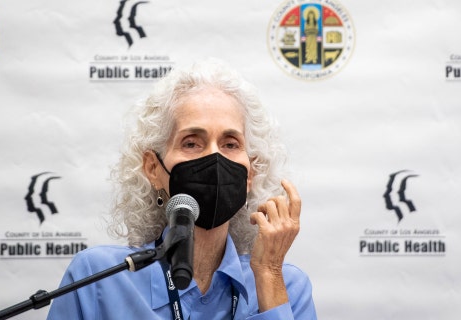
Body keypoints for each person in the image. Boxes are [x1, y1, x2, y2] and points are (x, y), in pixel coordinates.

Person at [46, 59, 316, 319]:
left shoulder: (287, 285)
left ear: (249, 174)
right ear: (153, 168)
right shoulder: (98, 279)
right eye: (191, 143)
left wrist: (268, 274)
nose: (214, 158)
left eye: (230, 144)